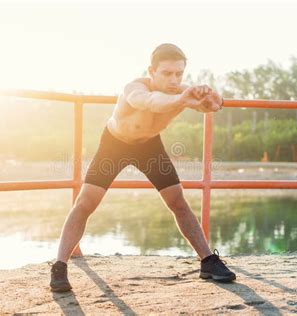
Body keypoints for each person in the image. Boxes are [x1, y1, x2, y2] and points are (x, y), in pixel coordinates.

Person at [49, 43, 236, 292]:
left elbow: (213, 105)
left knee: (178, 202)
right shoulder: (134, 89)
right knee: (85, 203)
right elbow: (151, 102)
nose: (174, 79)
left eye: (179, 74)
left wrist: (211, 95)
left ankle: (208, 262)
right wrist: (183, 98)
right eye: (167, 73)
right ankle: (59, 267)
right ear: (151, 71)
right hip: (115, 145)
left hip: (149, 147)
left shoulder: (182, 91)